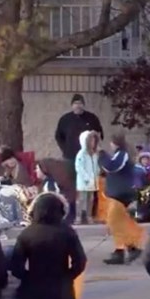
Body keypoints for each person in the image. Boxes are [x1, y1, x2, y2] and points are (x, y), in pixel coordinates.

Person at [54, 94, 104, 223]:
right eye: (75, 103)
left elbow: (99, 134)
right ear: (72, 105)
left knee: (91, 191)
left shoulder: (92, 118)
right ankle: (72, 214)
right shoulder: (65, 119)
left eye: (80, 103)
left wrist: (95, 149)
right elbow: (58, 136)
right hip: (70, 157)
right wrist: (65, 149)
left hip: (90, 158)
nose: (78, 105)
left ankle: (89, 214)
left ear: (83, 104)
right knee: (73, 187)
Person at [101, 133, 144, 265]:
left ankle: (129, 249)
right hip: (117, 193)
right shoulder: (118, 155)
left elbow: (113, 167)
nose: (110, 145)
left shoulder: (122, 154)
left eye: (111, 143)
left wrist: (101, 156)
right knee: (117, 222)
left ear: (115, 143)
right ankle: (123, 250)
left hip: (121, 194)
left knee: (114, 221)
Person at [74, 131, 100, 225]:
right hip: (83, 181)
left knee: (91, 199)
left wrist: (97, 173)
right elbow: (79, 167)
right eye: (91, 140)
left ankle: (89, 216)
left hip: (93, 181)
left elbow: (96, 166)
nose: (93, 143)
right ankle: (78, 217)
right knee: (81, 199)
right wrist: (86, 178)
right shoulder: (81, 154)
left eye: (94, 140)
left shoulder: (94, 154)